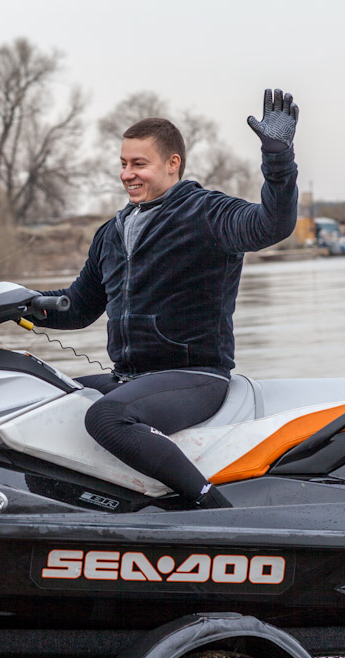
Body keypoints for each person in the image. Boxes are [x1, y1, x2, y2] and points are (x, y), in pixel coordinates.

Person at [38, 88, 300, 509]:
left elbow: (272, 224)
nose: (127, 174)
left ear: (172, 164)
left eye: (139, 164)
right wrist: (8, 302)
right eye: (123, 164)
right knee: (38, 394)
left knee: (107, 417)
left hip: (196, 376)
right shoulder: (111, 232)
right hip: (130, 377)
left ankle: (213, 510)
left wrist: (278, 159)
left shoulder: (207, 214)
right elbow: (77, 307)